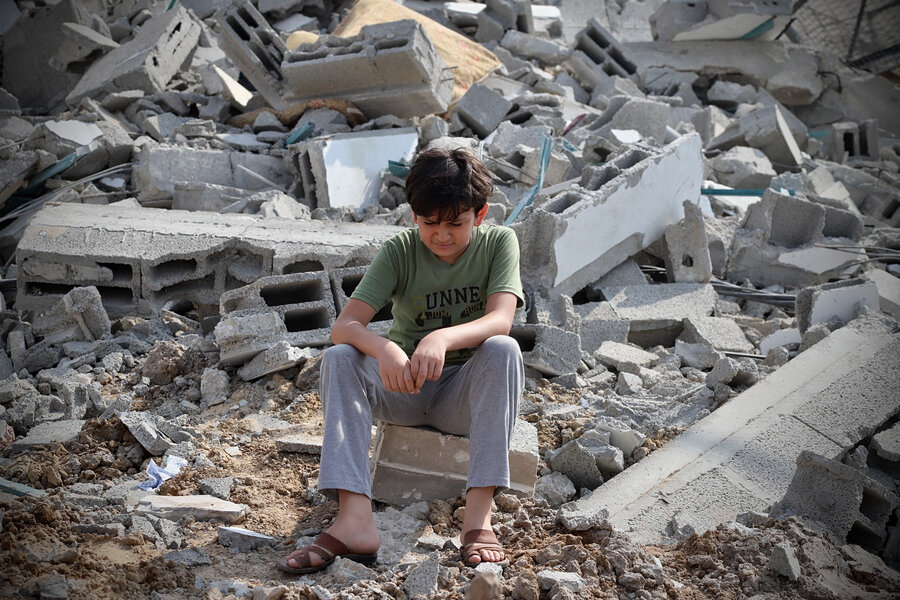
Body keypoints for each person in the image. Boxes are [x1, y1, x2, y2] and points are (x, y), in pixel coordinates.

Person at [277, 146, 525, 575]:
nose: (441, 235)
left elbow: (501, 319)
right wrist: (386, 348)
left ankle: (478, 518)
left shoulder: (499, 242)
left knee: (503, 349)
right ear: (414, 215)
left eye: (455, 224)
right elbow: (345, 326)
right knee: (339, 358)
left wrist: (441, 338)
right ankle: (355, 519)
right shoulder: (400, 251)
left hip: (462, 395)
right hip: (405, 388)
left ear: (479, 215)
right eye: (430, 222)